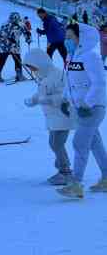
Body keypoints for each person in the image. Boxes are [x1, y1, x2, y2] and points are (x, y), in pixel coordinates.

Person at [56, 23, 107, 199]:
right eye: (66, 37)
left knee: (79, 143)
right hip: (79, 108)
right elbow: (69, 82)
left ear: (81, 39)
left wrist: (87, 103)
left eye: (70, 37)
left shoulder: (91, 57)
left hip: (93, 108)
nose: (66, 41)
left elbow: (99, 83)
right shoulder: (71, 57)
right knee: (95, 143)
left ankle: (76, 184)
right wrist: (64, 99)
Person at [23, 48, 75, 185]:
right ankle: (63, 170)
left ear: (40, 62)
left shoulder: (57, 75)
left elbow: (66, 96)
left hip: (64, 115)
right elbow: (41, 93)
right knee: (53, 143)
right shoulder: (43, 76)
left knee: (57, 143)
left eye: (33, 67)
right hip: (53, 117)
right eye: (31, 68)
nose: (33, 70)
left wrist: (49, 100)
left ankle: (66, 172)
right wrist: (33, 100)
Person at [0, 11, 31, 83]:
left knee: (2, 60)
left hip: (4, 45)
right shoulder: (20, 24)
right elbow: (27, 33)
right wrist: (28, 39)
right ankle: (19, 75)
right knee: (16, 60)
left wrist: (28, 38)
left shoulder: (5, 24)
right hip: (12, 45)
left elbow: (0, 34)